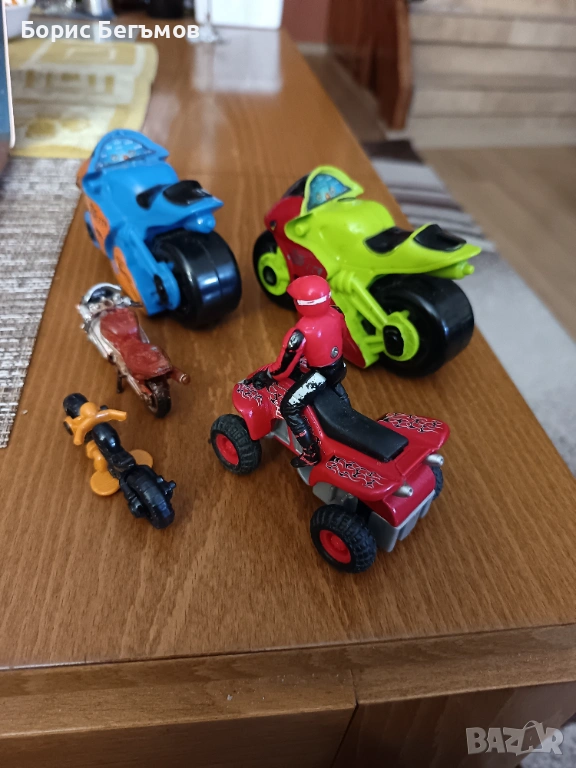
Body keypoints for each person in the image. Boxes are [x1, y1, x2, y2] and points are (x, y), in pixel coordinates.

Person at [250, 275, 348, 468]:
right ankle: (345, 419)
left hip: (320, 375)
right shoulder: (337, 313)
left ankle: (310, 452)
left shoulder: (299, 333)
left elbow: (282, 370)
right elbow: (341, 336)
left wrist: (266, 375)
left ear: (301, 304)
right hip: (339, 367)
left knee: (289, 406)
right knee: (337, 389)